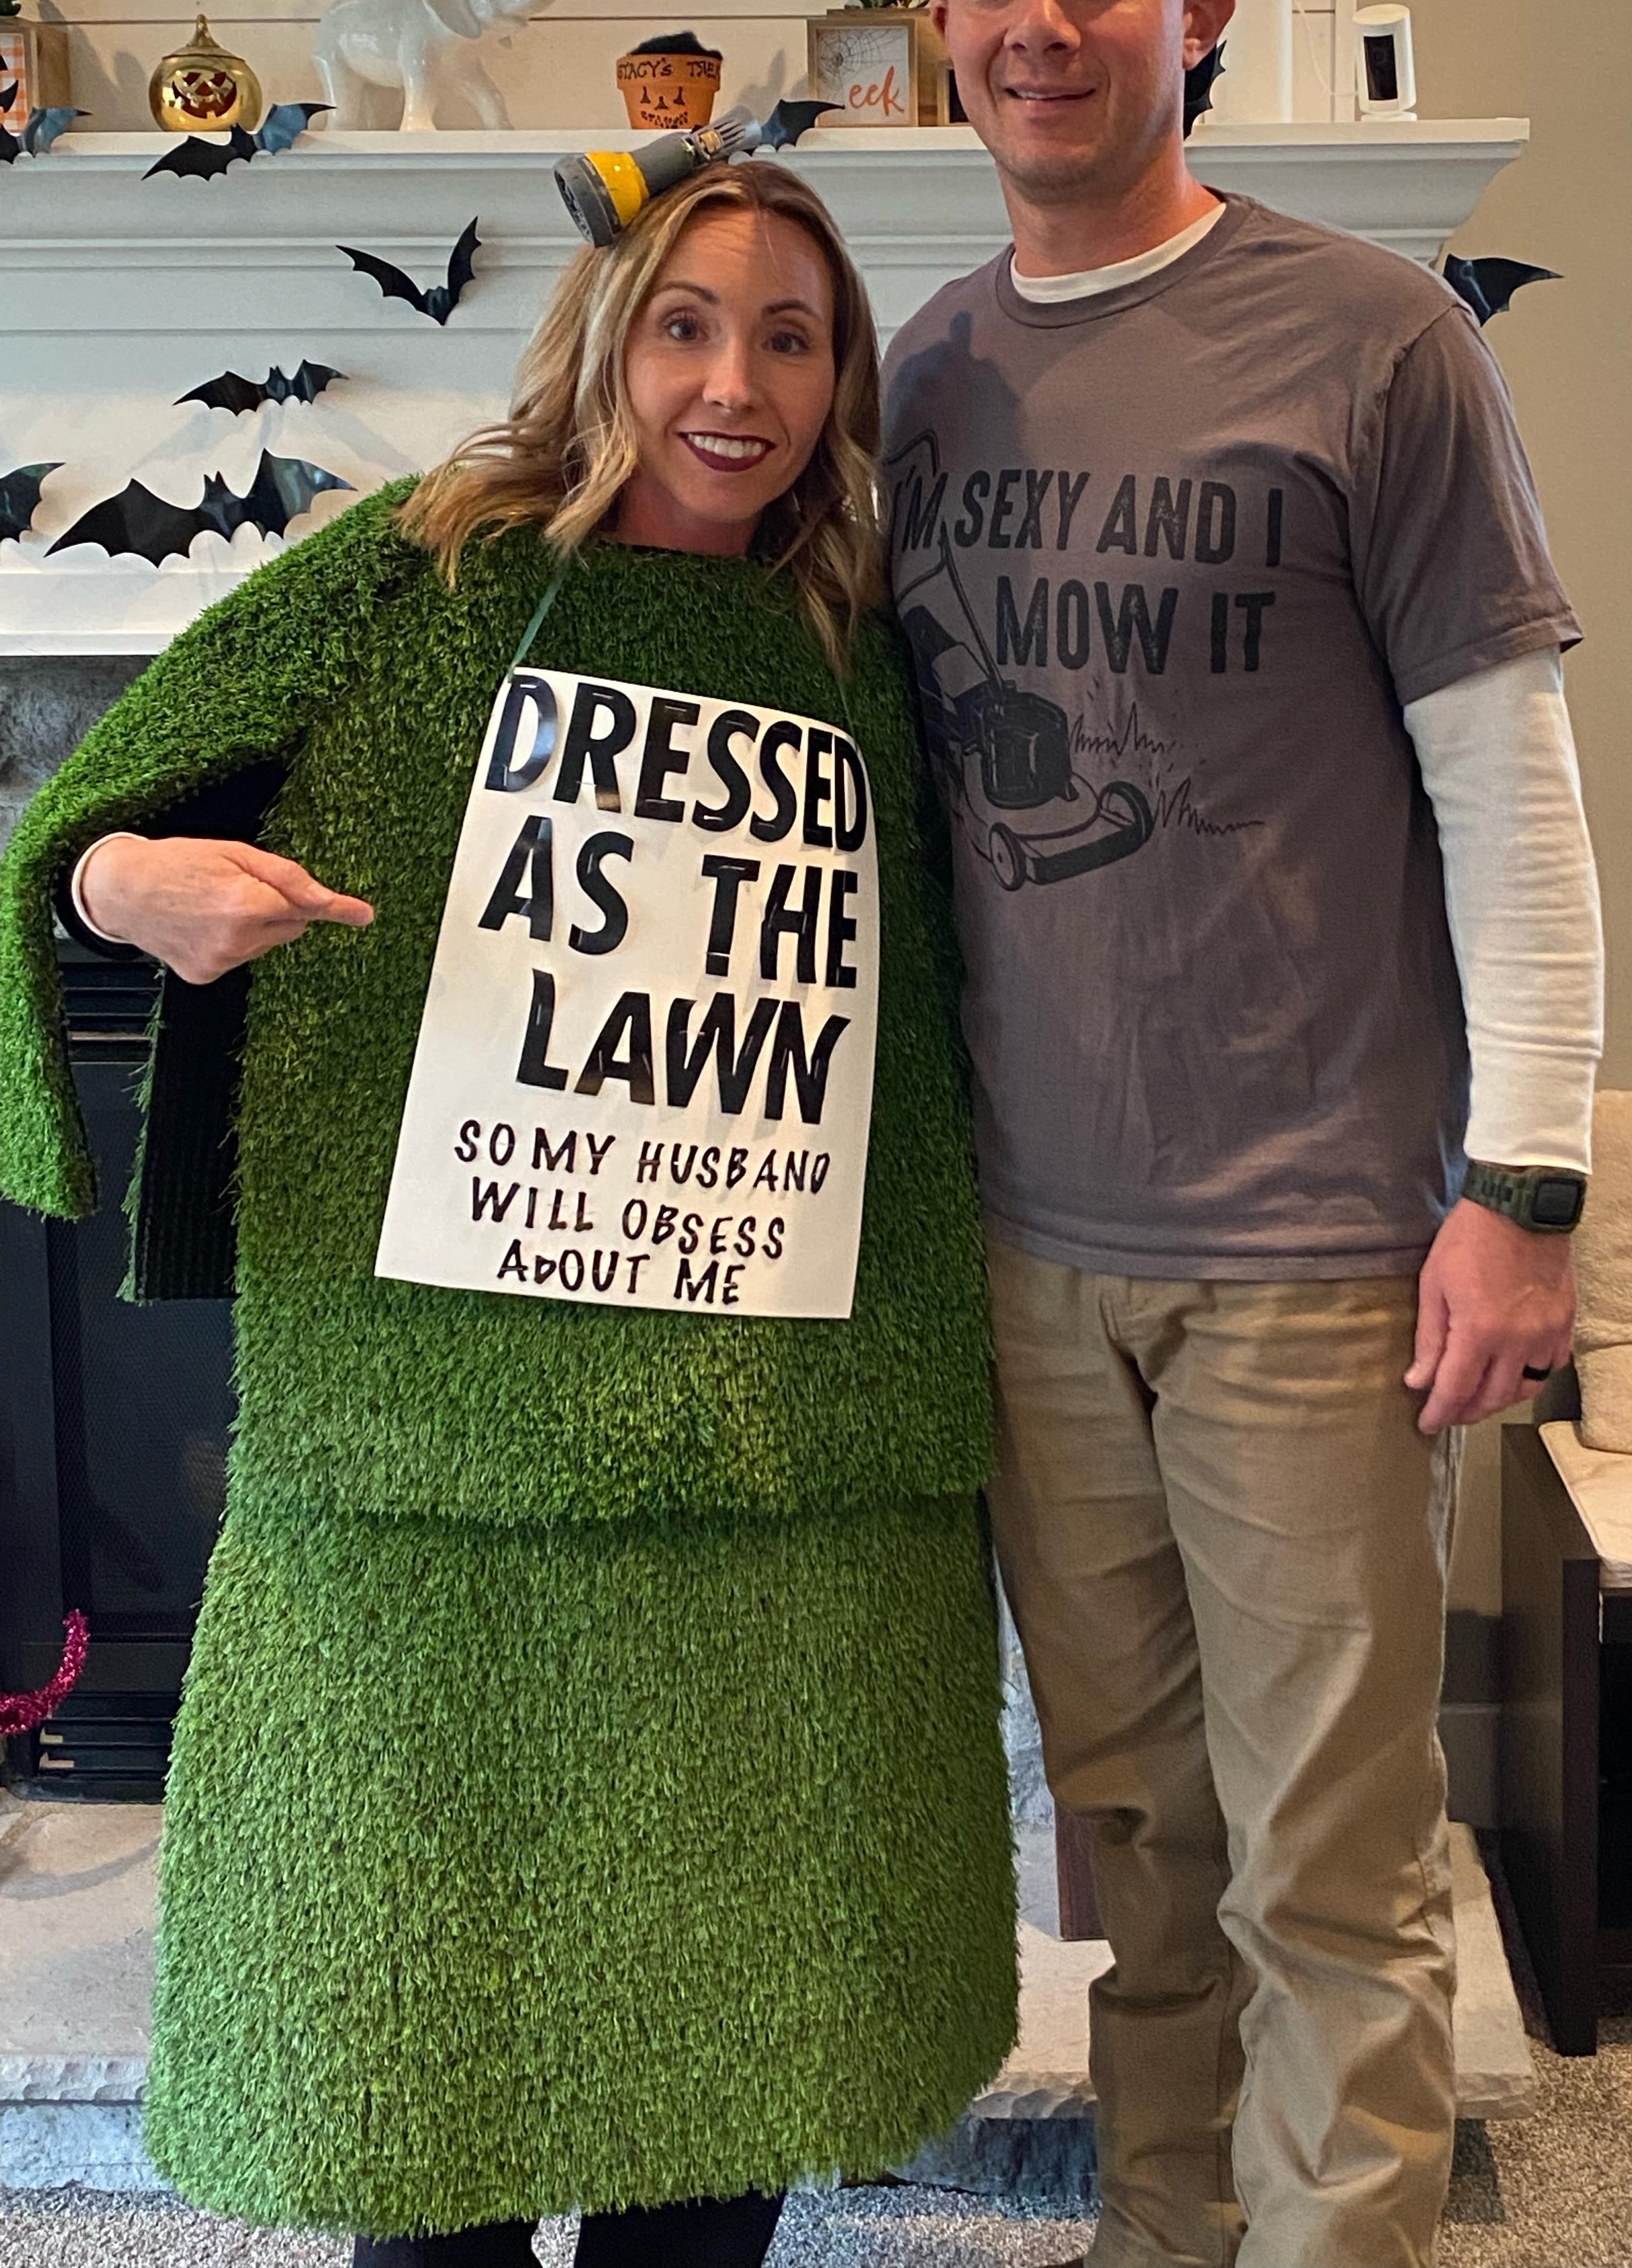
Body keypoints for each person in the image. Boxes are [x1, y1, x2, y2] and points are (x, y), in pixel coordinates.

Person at [0, 160, 1017, 2266]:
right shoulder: (416, 572)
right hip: (422, 1436)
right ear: (608, 338)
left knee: (726, 2063)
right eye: (687, 324)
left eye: (792, 339)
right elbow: (80, 830)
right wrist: (142, 891)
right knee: (415, 2073)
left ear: (842, 390)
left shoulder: (865, 639)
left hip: (777, 1438)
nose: (733, 384)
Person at [882, 0, 1605, 2268]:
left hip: (1318, 1247)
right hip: (1025, 1253)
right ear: (938, 32)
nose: (1041, 22)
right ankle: (1162, 2237)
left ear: (1196, 13)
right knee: (1139, 1863)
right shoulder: (926, 373)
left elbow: (1512, 792)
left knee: (1330, 1866)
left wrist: (1527, 1194)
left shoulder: (1375, 334)